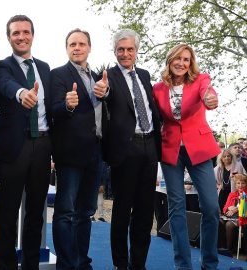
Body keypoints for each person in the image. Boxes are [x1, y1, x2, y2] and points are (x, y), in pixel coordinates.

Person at [94, 29, 161, 270]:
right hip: (126, 148)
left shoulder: (144, 74)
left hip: (150, 146)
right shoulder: (107, 76)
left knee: (145, 212)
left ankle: (138, 264)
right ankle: (120, 264)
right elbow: (107, 94)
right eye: (120, 49)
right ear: (114, 51)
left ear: (136, 51)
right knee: (122, 211)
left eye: (129, 49)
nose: (125, 53)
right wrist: (103, 90)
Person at [152, 43, 220, 270]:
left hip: (199, 148)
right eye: (177, 58)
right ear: (170, 60)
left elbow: (208, 93)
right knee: (176, 207)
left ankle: (209, 263)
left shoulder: (201, 80)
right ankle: (183, 265)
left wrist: (210, 99)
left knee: (210, 207)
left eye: (186, 59)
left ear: (191, 63)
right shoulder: (158, 89)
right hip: (170, 150)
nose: (181, 63)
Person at [0, 14, 52, 269]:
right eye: (16, 33)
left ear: (32, 36)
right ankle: (7, 264)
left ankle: (31, 264)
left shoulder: (45, 67)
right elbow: (5, 85)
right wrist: (21, 93)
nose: (21, 37)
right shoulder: (2, 66)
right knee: (8, 212)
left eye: (25, 32)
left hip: (43, 144)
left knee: (36, 212)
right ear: (8, 38)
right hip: (14, 147)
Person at [49, 28, 107, 269]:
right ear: (67, 48)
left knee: (86, 212)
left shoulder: (98, 78)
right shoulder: (58, 75)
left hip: (96, 154)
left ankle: (82, 261)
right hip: (70, 153)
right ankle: (66, 263)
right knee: (65, 212)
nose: (77, 47)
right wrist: (67, 105)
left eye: (81, 44)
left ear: (89, 47)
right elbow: (52, 111)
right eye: (72, 44)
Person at [219, 174, 247, 252]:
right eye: (238, 183)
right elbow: (224, 208)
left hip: (242, 217)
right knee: (220, 222)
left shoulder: (246, 194)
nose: (240, 185)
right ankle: (220, 247)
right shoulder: (232, 194)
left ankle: (228, 249)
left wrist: (237, 209)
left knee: (229, 225)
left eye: (243, 183)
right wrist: (229, 208)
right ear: (235, 184)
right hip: (229, 216)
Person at [154, 163, 168, 233]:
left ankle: (167, 232)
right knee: (158, 213)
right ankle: (159, 232)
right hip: (157, 190)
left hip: (168, 191)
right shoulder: (156, 161)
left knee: (167, 213)